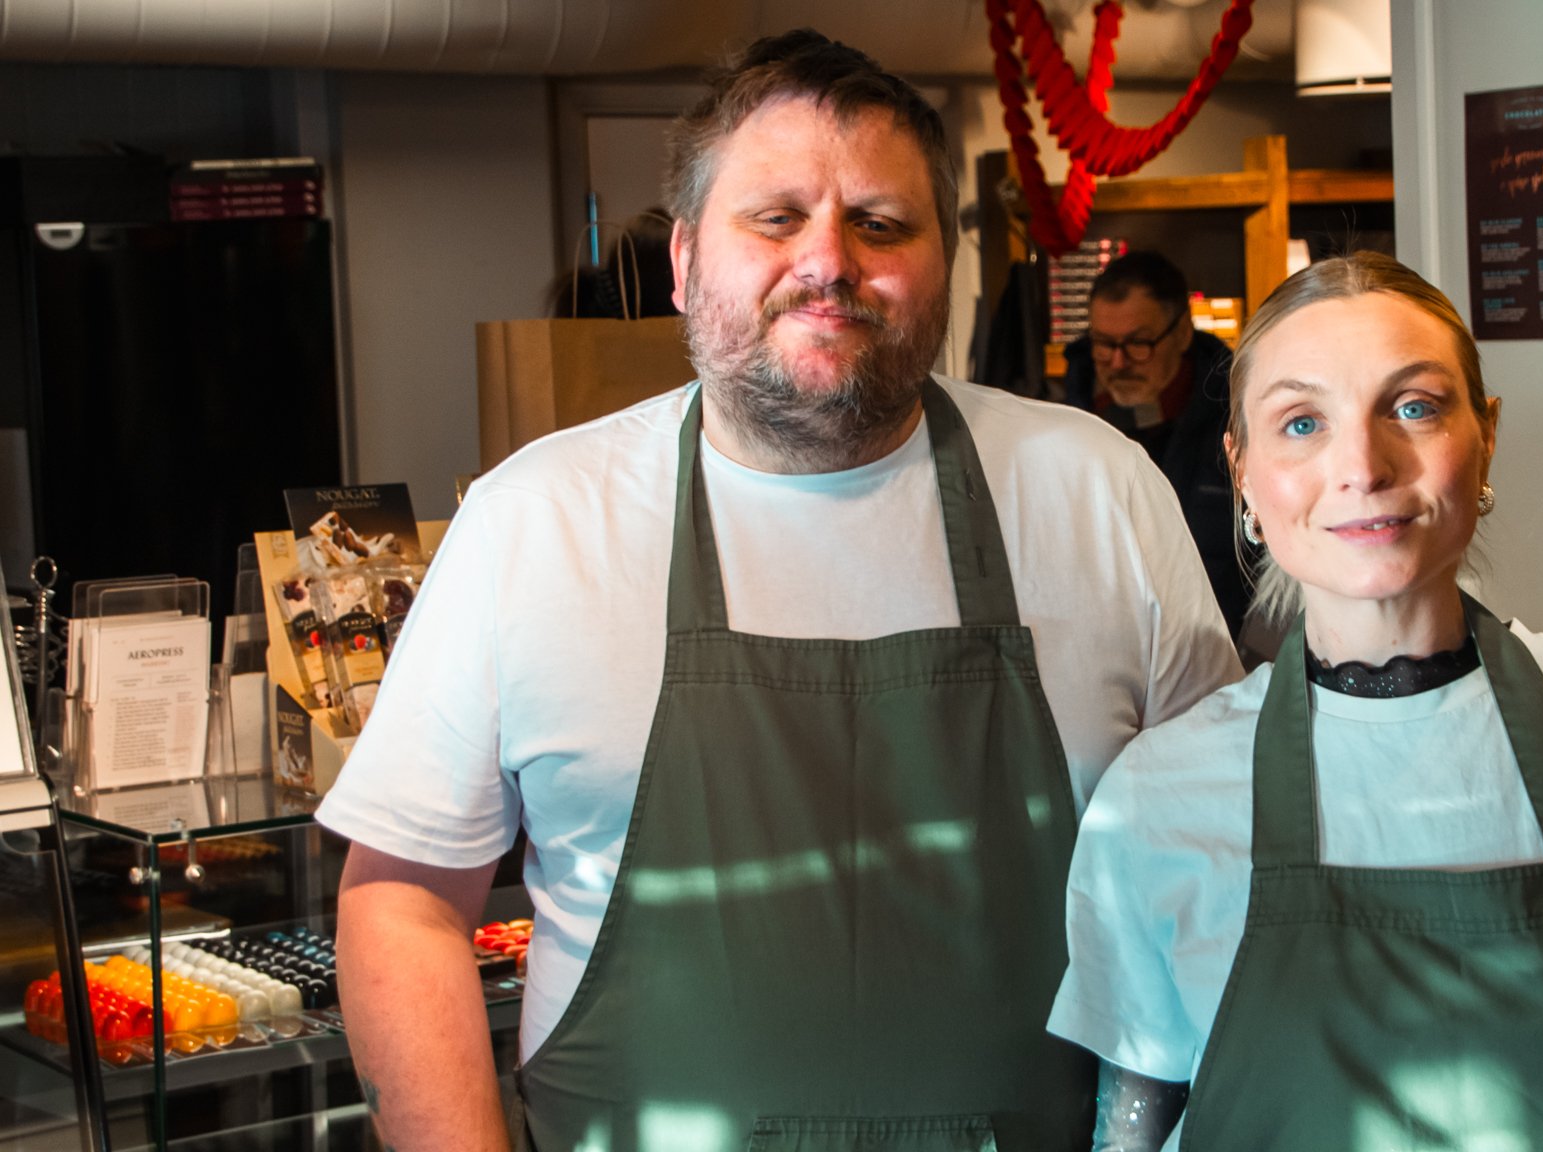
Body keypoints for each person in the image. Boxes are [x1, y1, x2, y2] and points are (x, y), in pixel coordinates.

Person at [319, 30, 1240, 1152]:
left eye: (880, 224)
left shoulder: (1095, 489)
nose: (827, 261)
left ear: (943, 264)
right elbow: (403, 901)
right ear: (683, 260)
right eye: (775, 217)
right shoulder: (536, 522)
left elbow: (1220, 860)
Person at [1047, 251, 1543, 1151]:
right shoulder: (1159, 796)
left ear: (1486, 435)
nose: (1362, 466)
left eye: (1414, 407)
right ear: (1243, 472)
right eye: (1302, 422)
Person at [1062, 252, 1248, 639]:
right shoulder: (1062, 420)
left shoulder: (1240, 421)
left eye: (1138, 343)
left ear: (1182, 333)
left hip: (1214, 652)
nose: (1118, 362)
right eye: (1103, 343)